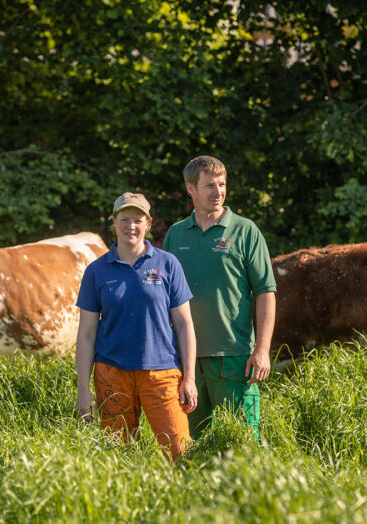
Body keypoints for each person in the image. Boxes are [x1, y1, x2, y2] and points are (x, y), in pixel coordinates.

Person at [75, 192, 198, 461]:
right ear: (114, 222)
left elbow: (184, 324)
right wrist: (83, 391)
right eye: (125, 219)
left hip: (161, 371)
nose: (131, 226)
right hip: (112, 373)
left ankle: (187, 499)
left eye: (138, 220)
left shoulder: (167, 264)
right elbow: (86, 334)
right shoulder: (97, 271)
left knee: (181, 452)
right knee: (117, 456)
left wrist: (189, 378)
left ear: (148, 223)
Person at [162, 155, 276, 441]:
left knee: (242, 442)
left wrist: (262, 350)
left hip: (234, 357)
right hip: (185, 361)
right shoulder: (176, 235)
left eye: (222, 185)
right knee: (189, 445)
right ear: (191, 189)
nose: (218, 192)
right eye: (209, 185)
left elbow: (265, 291)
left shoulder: (245, 230)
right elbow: (164, 297)